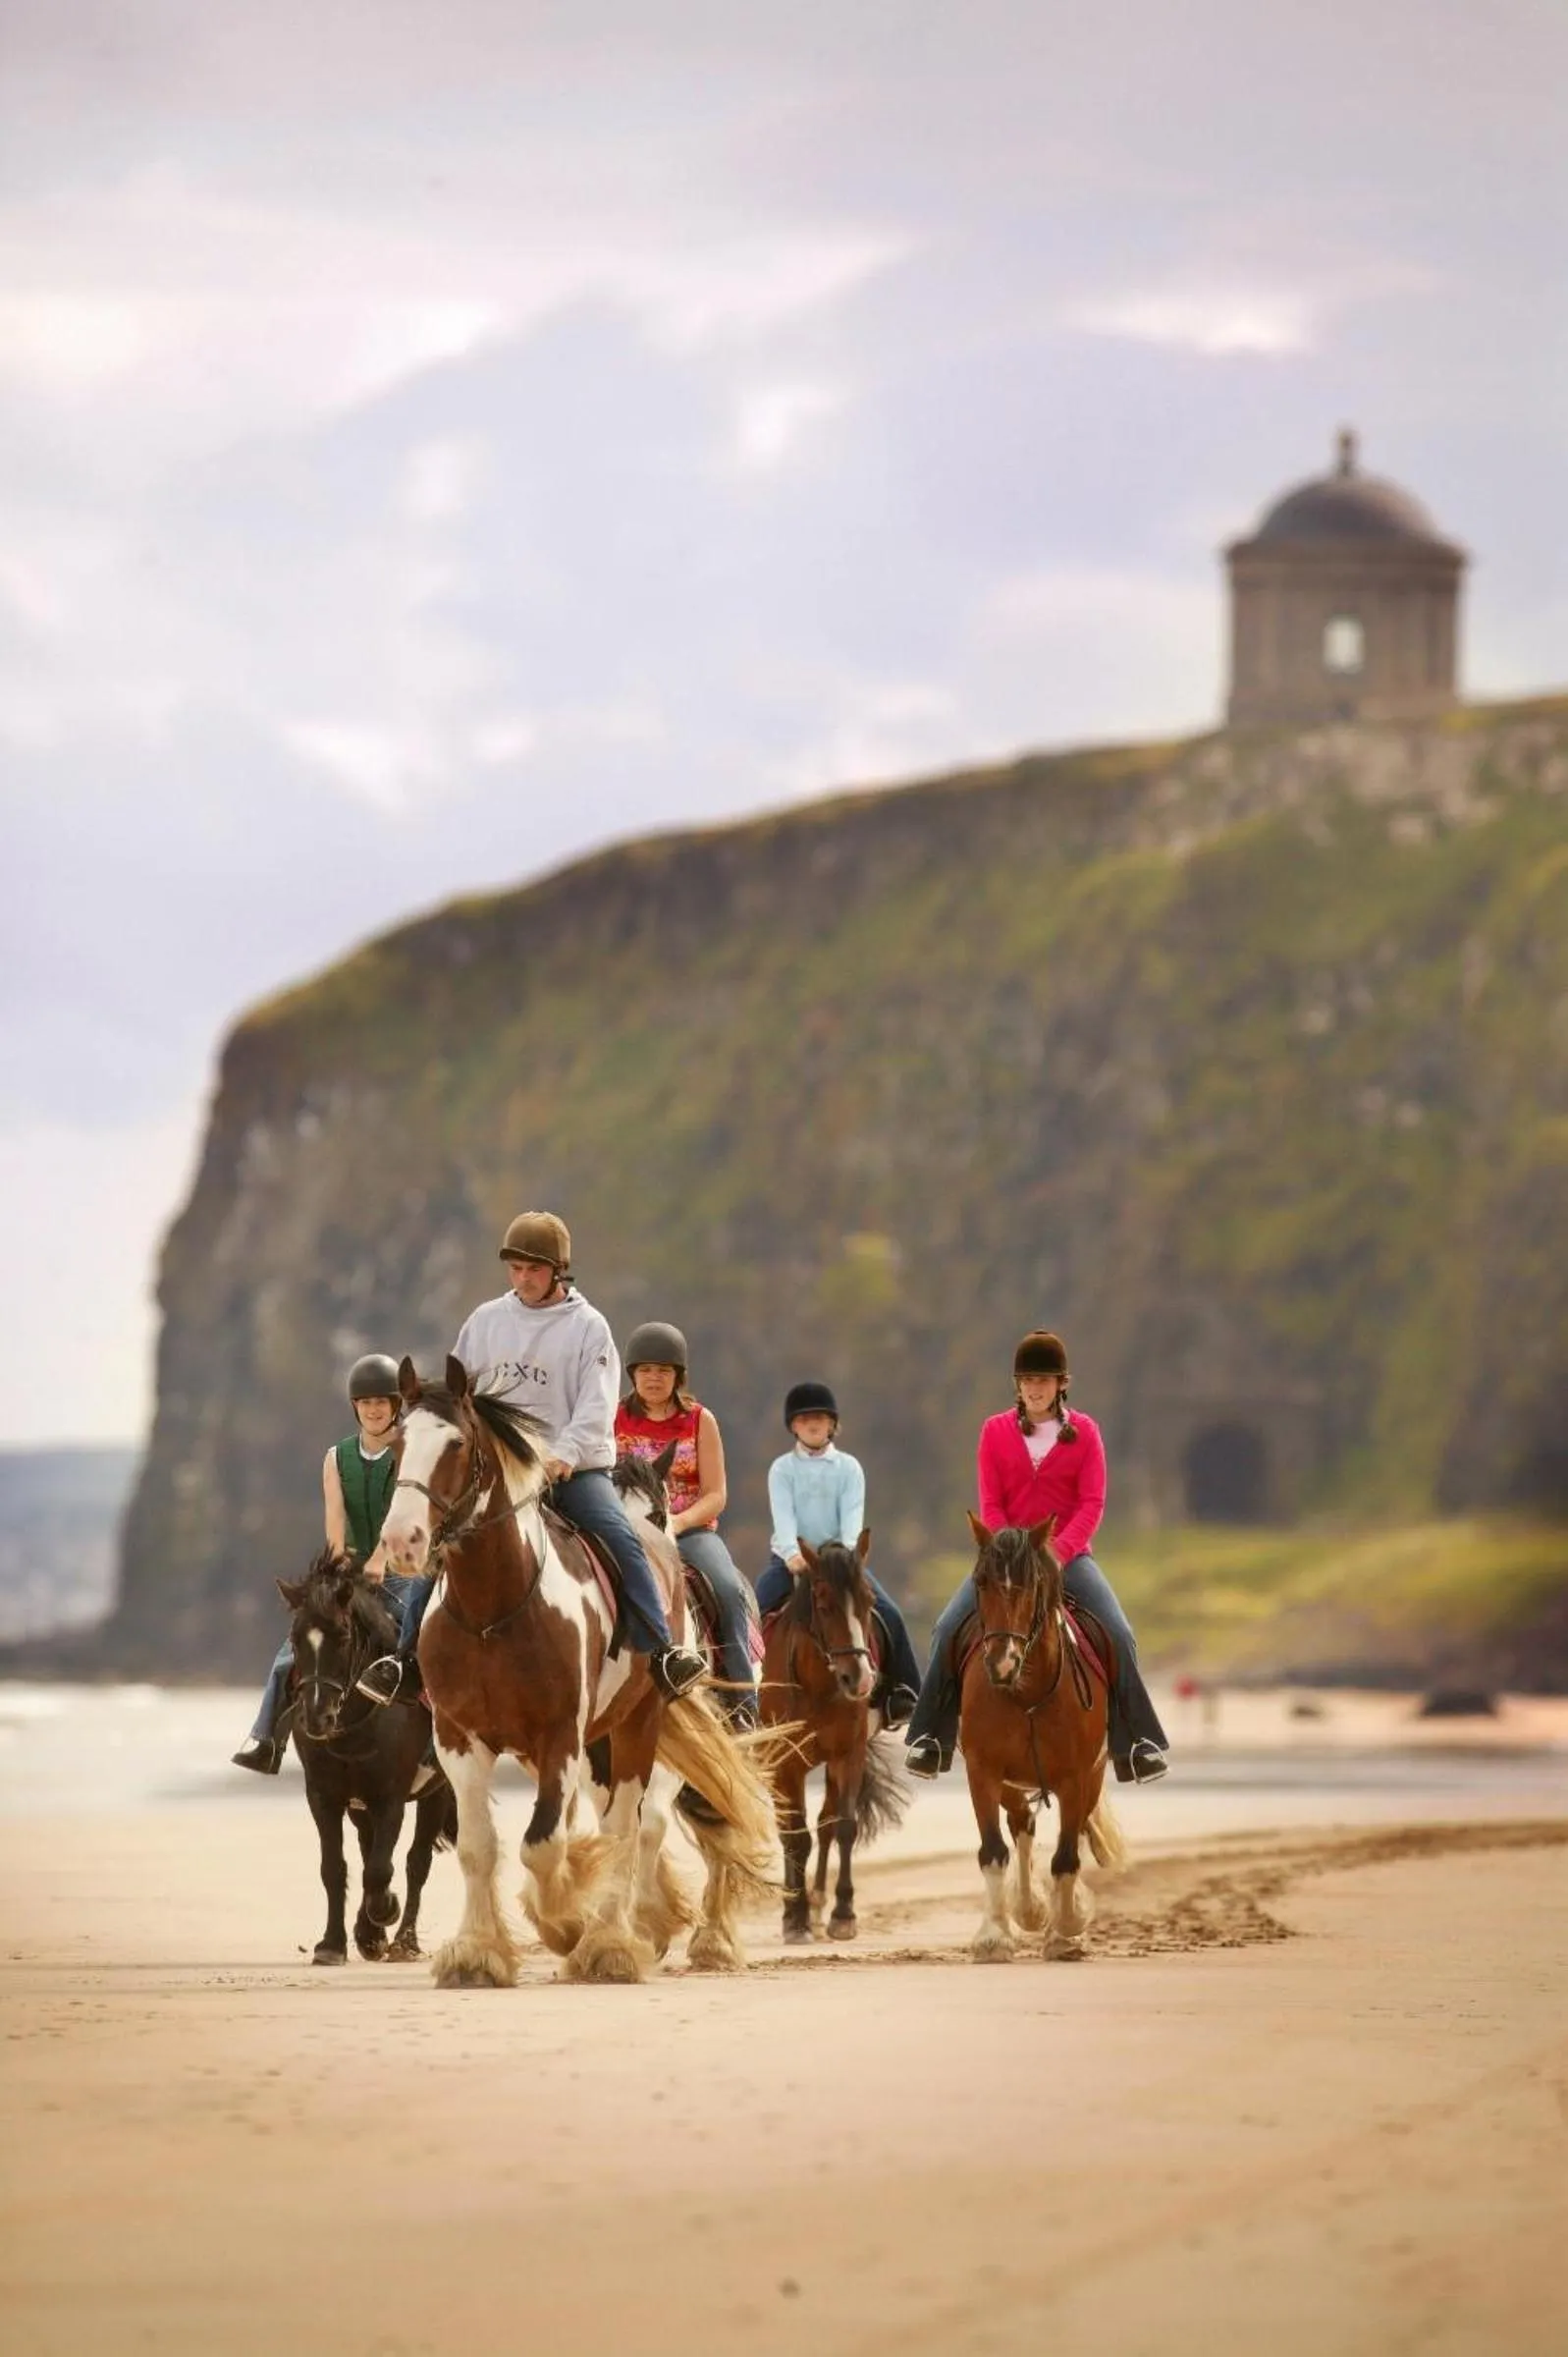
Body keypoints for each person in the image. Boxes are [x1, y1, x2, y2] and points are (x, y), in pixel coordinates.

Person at [356, 1213, 706, 1705]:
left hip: (572, 1470)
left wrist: (563, 1455)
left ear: (558, 1270)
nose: (523, 1278)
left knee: (621, 1536)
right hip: (500, 1475)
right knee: (444, 1544)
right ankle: (404, 1659)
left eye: (534, 1269)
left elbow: (597, 1404)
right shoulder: (485, 1321)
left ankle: (664, 1651)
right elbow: (460, 1400)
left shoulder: (589, 1328)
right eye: (516, 1268)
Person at [903, 1330, 1169, 1783]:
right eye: (1027, 1379)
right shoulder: (994, 1431)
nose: (1034, 1388)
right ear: (1017, 1383)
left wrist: (1056, 1553)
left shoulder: (1085, 1433)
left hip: (1069, 1558)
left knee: (1119, 1633)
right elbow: (991, 1504)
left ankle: (1137, 1744)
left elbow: (1092, 1503)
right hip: (1006, 1559)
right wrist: (1012, 1552)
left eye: (1043, 1380)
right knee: (947, 1627)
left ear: (1062, 1383)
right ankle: (931, 1738)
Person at [231, 1352, 411, 1774]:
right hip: (351, 1574)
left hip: (403, 1572)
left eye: (381, 1402)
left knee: (420, 1646)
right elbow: (335, 1518)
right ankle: (265, 1740)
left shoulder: (409, 1451)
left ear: (395, 1406)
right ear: (355, 1407)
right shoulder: (336, 1457)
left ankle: (441, 1746)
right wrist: (337, 1569)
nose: (373, 1409)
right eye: (365, 1403)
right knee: (294, 1650)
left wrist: (382, 1559)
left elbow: (402, 1511)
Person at [614, 1322, 759, 1727]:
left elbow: (716, 1493)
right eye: (645, 1370)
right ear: (632, 1375)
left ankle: (743, 1707)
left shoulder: (699, 1420)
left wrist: (676, 1522)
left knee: (728, 1591)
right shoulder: (614, 1420)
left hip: (689, 1531)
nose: (654, 1378)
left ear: (678, 1376)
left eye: (663, 1370)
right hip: (627, 1532)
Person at [752, 1381, 922, 1727]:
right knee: (753, 1611)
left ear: (832, 1424)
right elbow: (783, 1518)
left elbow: (852, 1520)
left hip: (840, 1563)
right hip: (791, 1561)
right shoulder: (782, 1469)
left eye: (820, 1417)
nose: (812, 1423)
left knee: (889, 1614)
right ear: (793, 1426)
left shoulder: (849, 1468)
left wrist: (843, 1559)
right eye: (804, 1419)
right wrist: (791, 1556)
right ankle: (744, 1694)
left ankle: (903, 1693)